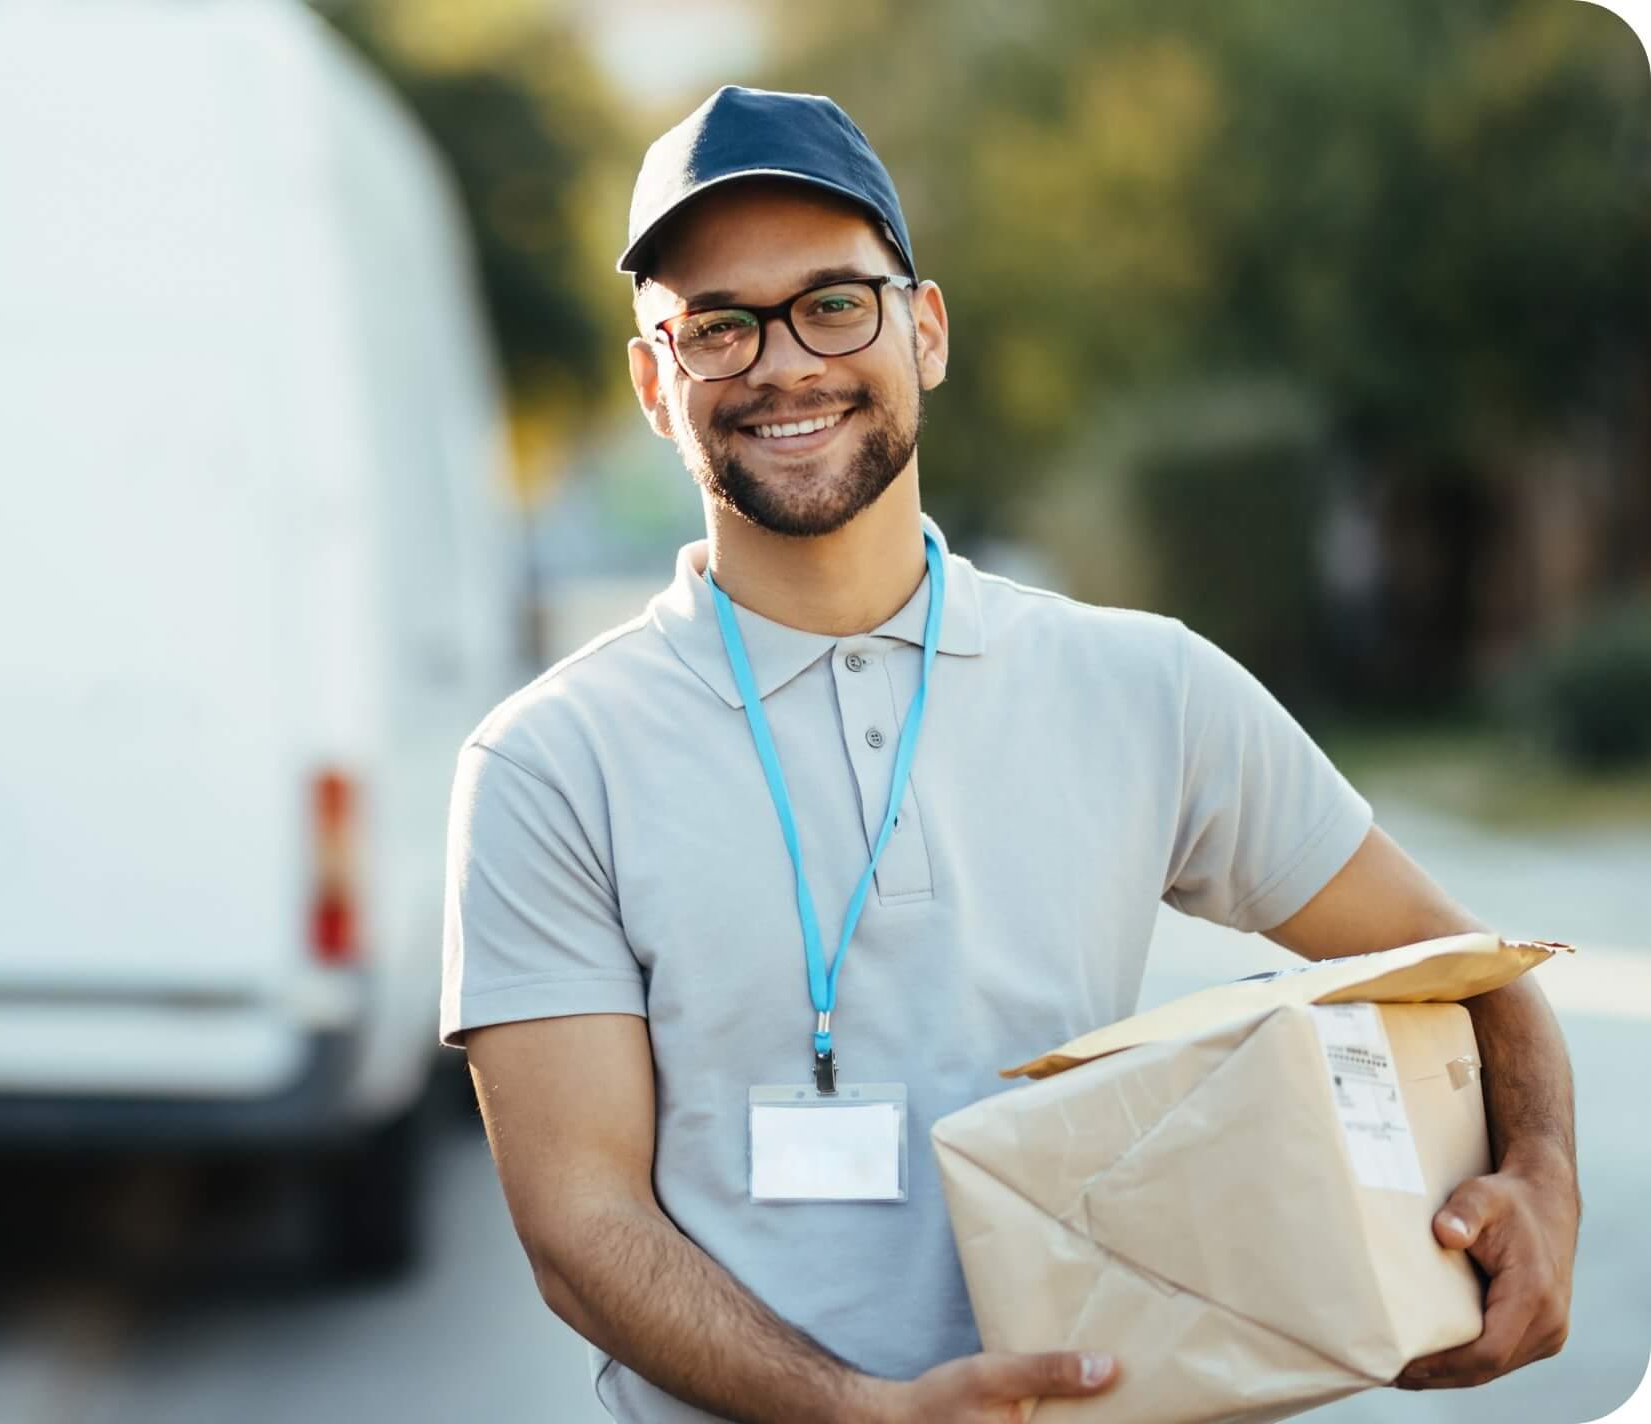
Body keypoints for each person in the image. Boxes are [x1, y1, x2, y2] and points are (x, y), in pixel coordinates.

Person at [439, 86, 1579, 1424]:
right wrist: (859, 1412)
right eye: (718, 326)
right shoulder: (547, 763)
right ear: (655, 381)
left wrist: (1545, 1174)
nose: (783, 363)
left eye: (834, 303)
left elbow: (1466, 973)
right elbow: (578, 1225)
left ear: (923, 330)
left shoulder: (1144, 686)